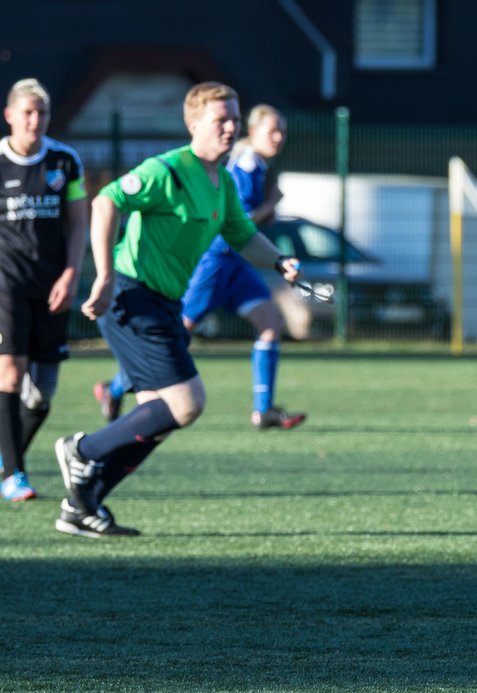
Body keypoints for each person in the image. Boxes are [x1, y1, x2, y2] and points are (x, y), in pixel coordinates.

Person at [54, 82, 301, 537]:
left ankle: (82, 505)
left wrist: (280, 261)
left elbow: (244, 236)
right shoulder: (167, 170)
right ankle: (82, 450)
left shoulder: (222, 182)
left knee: (157, 418)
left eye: (233, 118)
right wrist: (104, 275)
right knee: (186, 403)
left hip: (164, 302)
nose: (230, 128)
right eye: (220, 120)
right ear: (193, 125)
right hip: (131, 295)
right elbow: (107, 201)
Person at [94, 103, 305, 430]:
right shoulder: (242, 166)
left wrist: (278, 258)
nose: (278, 137)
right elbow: (239, 225)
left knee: (270, 322)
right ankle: (116, 386)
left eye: (283, 131)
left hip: (238, 266)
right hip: (216, 263)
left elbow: (243, 228)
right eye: (272, 131)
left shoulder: (257, 166)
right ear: (254, 133)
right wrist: (270, 205)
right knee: (178, 336)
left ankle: (262, 410)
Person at [0, 79, 88, 503]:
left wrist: (71, 273)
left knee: (42, 393)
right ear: (10, 115)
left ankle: (6, 455)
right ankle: (14, 474)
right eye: (28, 113)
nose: (36, 121)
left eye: (43, 113)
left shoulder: (65, 161)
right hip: (6, 282)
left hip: (52, 283)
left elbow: (79, 223)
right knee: (10, 374)